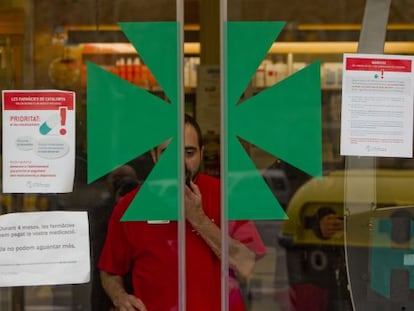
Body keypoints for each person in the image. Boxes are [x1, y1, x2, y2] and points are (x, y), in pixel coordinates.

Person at [98, 114, 266, 311]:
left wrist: (198, 219)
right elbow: (110, 271)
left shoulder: (224, 196)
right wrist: (120, 297)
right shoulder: (130, 206)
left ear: (202, 153)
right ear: (154, 155)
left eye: (189, 152)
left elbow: (247, 264)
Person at [89, 165, 140, 311]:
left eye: (128, 180)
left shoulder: (147, 209)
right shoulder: (101, 211)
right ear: (109, 185)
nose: (123, 183)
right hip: (107, 285)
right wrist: (117, 205)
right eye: (118, 180)